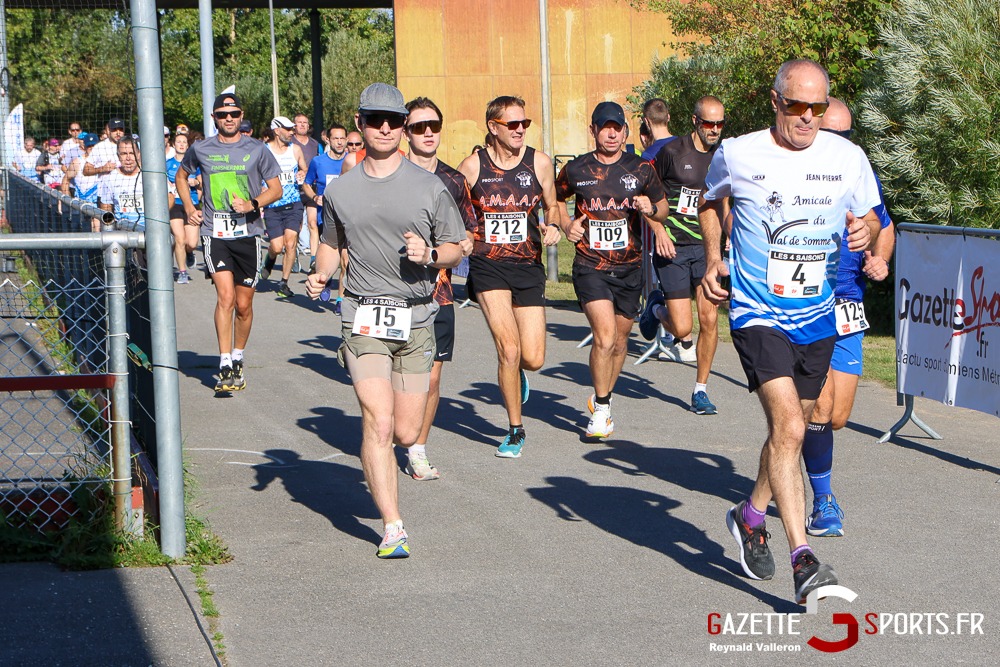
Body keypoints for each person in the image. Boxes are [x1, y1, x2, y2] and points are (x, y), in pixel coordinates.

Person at [700, 59, 882, 604]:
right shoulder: (738, 151)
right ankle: (803, 558)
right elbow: (710, 202)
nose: (807, 118)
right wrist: (714, 259)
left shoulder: (847, 157)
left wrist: (864, 230)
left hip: (818, 315)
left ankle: (749, 514)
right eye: (797, 106)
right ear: (775, 101)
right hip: (757, 314)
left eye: (818, 108)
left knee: (792, 430)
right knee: (791, 429)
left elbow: (873, 217)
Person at [304, 83, 466, 558]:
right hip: (363, 316)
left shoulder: (429, 186)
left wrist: (432, 254)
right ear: (360, 123)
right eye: (375, 119)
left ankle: (395, 471)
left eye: (393, 120)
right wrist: (319, 273)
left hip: (416, 320)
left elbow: (457, 248)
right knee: (377, 421)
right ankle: (392, 526)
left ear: (403, 127)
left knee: (405, 431)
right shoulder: (341, 190)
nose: (385, 127)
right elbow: (332, 243)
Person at [801, 97, 895, 538]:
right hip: (806, 302)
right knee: (818, 405)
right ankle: (823, 501)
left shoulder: (858, 169)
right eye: (832, 133)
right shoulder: (797, 167)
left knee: (836, 416)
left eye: (847, 135)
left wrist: (880, 257)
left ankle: (792, 440)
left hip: (848, 302)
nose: (840, 142)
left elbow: (884, 223)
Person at [554, 101, 670, 438]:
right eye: (604, 127)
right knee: (604, 337)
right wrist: (565, 223)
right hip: (590, 265)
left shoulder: (642, 170)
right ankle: (602, 412)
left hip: (630, 268)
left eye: (616, 127)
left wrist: (652, 208)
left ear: (625, 131)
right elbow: (556, 199)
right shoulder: (576, 170)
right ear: (593, 130)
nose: (610, 133)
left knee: (620, 343)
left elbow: (662, 208)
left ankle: (602, 396)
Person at [457, 95, 562, 458]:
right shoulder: (472, 166)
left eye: (524, 124)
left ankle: (517, 373)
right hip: (488, 265)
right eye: (512, 124)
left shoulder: (540, 162)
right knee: (510, 348)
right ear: (493, 127)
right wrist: (463, 239)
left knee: (532, 358)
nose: (520, 130)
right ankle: (515, 430)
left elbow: (554, 206)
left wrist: (555, 227)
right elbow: (453, 210)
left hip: (528, 264)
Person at [175, 93, 283, 393]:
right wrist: (189, 207)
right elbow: (181, 176)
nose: (229, 119)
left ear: (241, 115)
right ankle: (224, 363)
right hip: (216, 233)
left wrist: (253, 203)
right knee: (226, 298)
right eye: (223, 115)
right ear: (214, 118)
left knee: (244, 305)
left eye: (233, 113)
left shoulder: (257, 149)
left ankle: (237, 356)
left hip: (248, 234)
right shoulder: (201, 148)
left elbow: (276, 188)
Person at [402, 96, 477, 479]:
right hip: (393, 292)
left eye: (434, 125)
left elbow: (469, 227)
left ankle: (418, 448)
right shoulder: (390, 174)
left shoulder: (453, 180)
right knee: (397, 376)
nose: (428, 133)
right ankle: (395, 432)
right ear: (406, 131)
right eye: (419, 127)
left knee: (431, 376)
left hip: (439, 293)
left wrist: (465, 242)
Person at [639, 96, 728, 414]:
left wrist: (727, 242)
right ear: (694, 121)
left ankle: (700, 390)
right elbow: (644, 195)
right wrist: (658, 231)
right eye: (708, 123)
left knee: (709, 318)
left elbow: (725, 201)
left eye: (720, 123)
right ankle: (656, 307)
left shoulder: (724, 156)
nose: (714, 129)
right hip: (672, 247)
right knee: (681, 328)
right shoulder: (671, 153)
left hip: (707, 249)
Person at [301, 122, 349, 312]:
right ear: (328, 140)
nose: (339, 142)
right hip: (325, 219)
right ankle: (325, 279)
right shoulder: (318, 162)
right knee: (329, 256)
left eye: (342, 139)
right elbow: (306, 183)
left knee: (345, 260)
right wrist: (314, 197)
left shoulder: (352, 162)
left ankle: (340, 299)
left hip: (346, 219)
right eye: (335, 138)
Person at [258, 117, 309, 298]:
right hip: (272, 204)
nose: (292, 132)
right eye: (288, 129)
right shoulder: (263, 151)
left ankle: (284, 283)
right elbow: (253, 173)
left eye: (292, 129)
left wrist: (302, 173)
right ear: (276, 131)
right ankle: (269, 260)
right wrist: (260, 188)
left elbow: (304, 168)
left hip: (293, 203)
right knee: (277, 246)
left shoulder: (295, 150)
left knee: (290, 242)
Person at [166, 132, 201, 284]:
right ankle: (182, 272)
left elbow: (201, 182)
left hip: (191, 203)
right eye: (178, 142)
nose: (181, 144)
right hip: (175, 204)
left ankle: (190, 253)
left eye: (184, 142)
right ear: (174, 145)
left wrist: (196, 183)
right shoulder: (167, 164)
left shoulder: (194, 163)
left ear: (188, 145)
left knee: (191, 243)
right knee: (180, 238)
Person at [98, 137, 144, 230]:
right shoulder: (110, 178)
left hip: (148, 229)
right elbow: (106, 206)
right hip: (122, 231)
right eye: (123, 154)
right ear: (118, 156)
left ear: (138, 154)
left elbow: (169, 198)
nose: (128, 158)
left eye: (132, 153)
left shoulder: (150, 176)